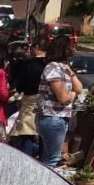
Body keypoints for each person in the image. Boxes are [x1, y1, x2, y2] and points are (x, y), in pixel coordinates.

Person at [35, 35, 82, 168]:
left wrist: (71, 73)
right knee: (53, 159)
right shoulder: (53, 68)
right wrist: (72, 94)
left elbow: (79, 88)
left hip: (58, 118)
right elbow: (63, 98)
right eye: (71, 46)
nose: (73, 49)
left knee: (49, 156)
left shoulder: (63, 67)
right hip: (52, 117)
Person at [7, 42, 46, 158]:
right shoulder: (50, 64)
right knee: (42, 133)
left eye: (31, 47)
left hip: (30, 99)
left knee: (27, 131)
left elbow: (20, 85)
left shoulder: (29, 64)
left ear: (37, 47)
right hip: (46, 99)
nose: (30, 50)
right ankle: (43, 158)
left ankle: (27, 158)